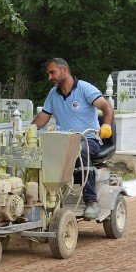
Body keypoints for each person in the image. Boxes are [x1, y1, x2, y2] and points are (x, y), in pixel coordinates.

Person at [30, 58, 115, 220]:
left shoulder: (84, 88)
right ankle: (44, 198)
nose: (50, 77)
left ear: (65, 70)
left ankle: (91, 201)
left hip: (88, 139)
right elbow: (43, 116)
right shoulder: (53, 94)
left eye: (52, 72)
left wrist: (107, 126)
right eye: (48, 74)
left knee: (80, 149)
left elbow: (107, 107)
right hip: (64, 140)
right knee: (40, 152)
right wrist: (29, 131)